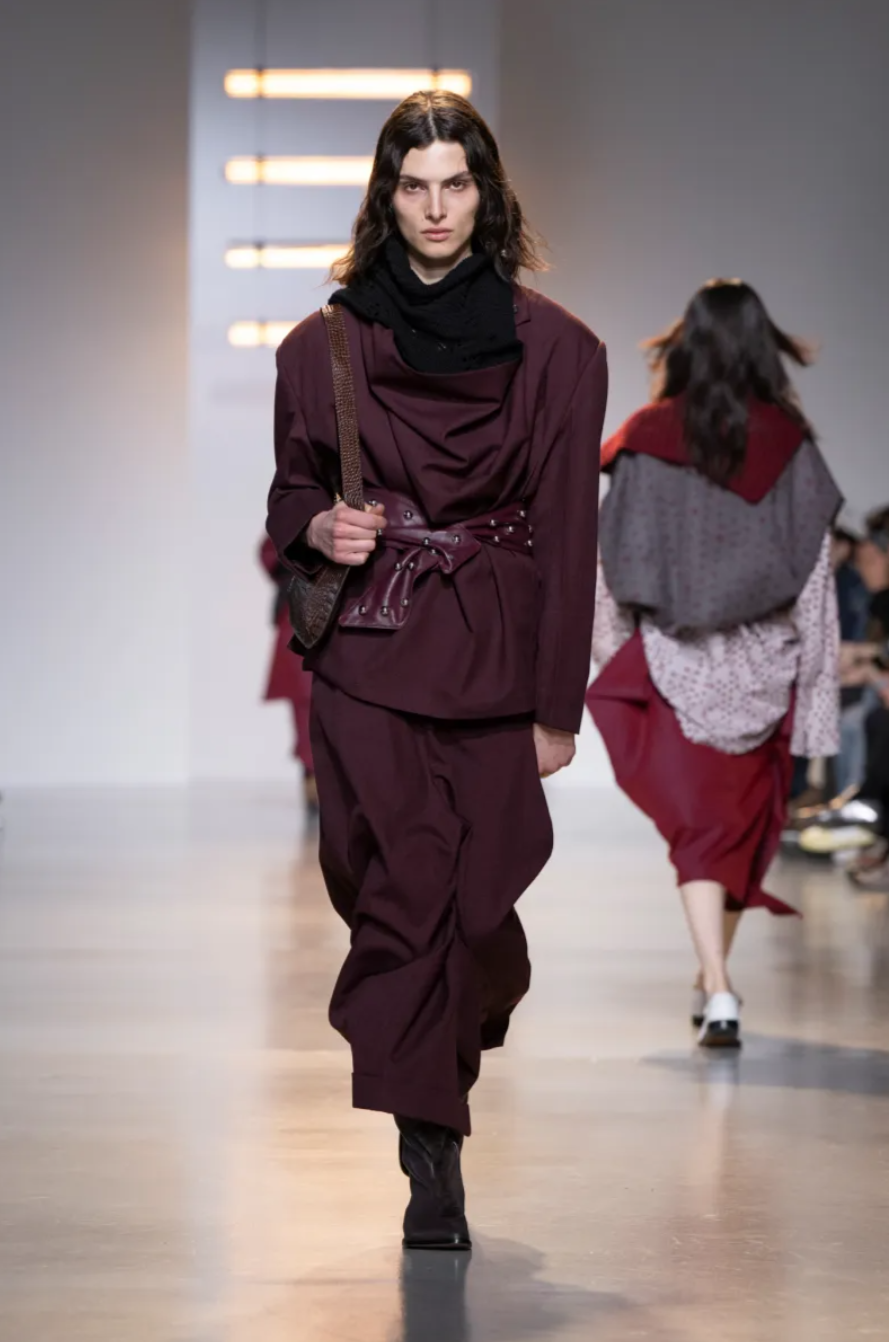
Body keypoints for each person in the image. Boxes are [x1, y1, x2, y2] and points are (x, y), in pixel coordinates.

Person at [266, 90, 607, 1249]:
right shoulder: (320, 349)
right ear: (385, 198)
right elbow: (290, 492)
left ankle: (451, 1047)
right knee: (401, 893)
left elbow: (569, 533)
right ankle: (432, 1158)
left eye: (455, 184)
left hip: (495, 661)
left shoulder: (561, 351)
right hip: (369, 657)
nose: (435, 209)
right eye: (413, 187)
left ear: (486, 194)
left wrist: (558, 707)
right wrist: (320, 527)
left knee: (474, 911)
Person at [586, 280, 841, 1048]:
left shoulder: (645, 438)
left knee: (705, 837)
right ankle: (716, 979)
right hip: (766, 669)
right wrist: (816, 707)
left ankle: (715, 981)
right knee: (732, 835)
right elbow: (815, 582)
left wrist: (616, 658)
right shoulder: (790, 445)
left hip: (674, 664)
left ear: (684, 344)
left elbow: (610, 564)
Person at [258, 537, 317, 814]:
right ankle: (313, 785)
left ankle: (317, 786)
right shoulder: (292, 518)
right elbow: (270, 552)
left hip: (342, 611)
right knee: (305, 711)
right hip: (300, 612)